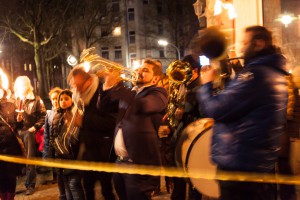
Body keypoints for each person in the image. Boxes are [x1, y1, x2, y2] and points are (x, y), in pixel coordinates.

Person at [197, 26, 289, 200]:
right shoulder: (272, 73)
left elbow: (216, 109)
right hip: (254, 163)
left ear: (259, 43)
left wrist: (206, 85)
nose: (240, 48)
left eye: (245, 43)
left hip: (240, 165)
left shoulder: (254, 75)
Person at [67, 64, 126, 200]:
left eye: (78, 85)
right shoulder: (81, 97)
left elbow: (112, 123)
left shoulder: (104, 93)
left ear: (88, 82)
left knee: (106, 189)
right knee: (88, 187)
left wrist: (84, 121)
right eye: (73, 85)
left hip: (103, 151)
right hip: (89, 151)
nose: (76, 89)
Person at [113, 58, 168, 200]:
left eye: (145, 70)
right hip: (119, 163)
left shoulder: (158, 93)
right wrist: (108, 85)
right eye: (139, 69)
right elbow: (105, 106)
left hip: (138, 165)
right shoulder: (131, 92)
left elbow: (142, 105)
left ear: (155, 79)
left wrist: (118, 85)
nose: (139, 71)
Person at [167, 55, 204, 200]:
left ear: (195, 70)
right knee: (178, 182)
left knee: (194, 184)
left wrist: (184, 114)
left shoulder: (201, 88)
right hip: (179, 137)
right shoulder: (182, 85)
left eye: (185, 69)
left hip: (192, 141)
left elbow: (204, 117)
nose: (181, 72)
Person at [13, 76, 46, 195]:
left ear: (27, 85)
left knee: (30, 159)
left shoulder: (36, 100)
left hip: (29, 132)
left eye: (23, 84)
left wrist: (35, 127)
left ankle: (30, 185)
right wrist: (17, 119)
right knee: (16, 158)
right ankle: (14, 186)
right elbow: (11, 118)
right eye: (19, 84)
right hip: (17, 132)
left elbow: (43, 116)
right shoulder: (14, 100)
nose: (21, 86)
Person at [51, 89, 85, 200]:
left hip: (73, 158)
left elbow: (78, 137)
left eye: (66, 99)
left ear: (72, 100)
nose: (63, 101)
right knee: (66, 187)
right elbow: (53, 137)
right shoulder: (57, 116)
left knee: (74, 185)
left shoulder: (77, 115)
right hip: (61, 159)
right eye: (61, 99)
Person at [0, 87, 24, 200]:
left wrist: (19, 120)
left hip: (10, 147)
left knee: (10, 176)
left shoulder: (10, 105)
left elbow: (17, 127)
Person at [43, 87, 67, 197]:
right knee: (59, 175)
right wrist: (47, 153)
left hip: (65, 151)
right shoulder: (49, 114)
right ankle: (62, 195)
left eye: (57, 98)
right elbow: (47, 135)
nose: (54, 101)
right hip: (54, 151)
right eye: (52, 99)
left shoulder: (67, 112)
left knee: (67, 177)